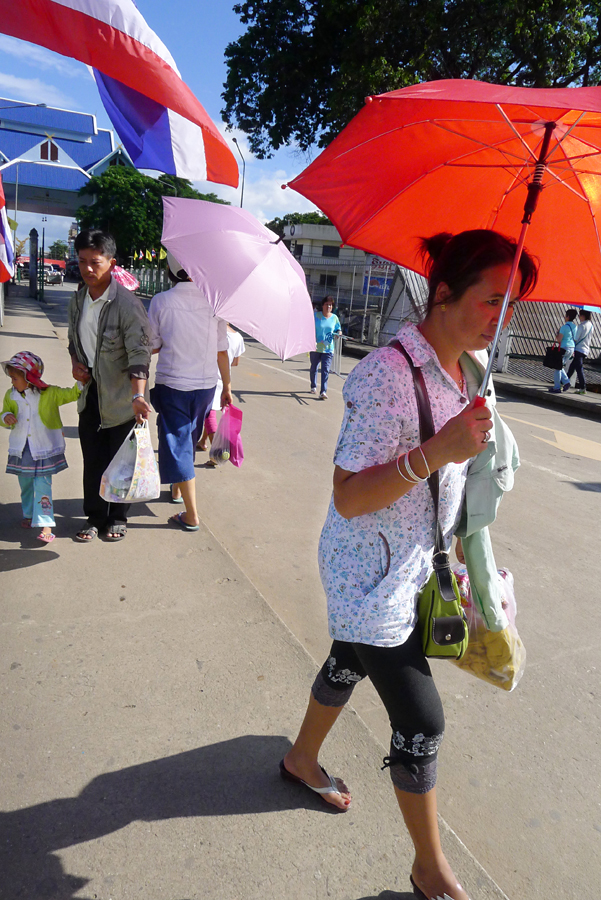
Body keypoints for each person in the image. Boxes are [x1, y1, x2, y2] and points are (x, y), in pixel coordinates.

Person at [280, 230, 538, 900]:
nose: (497, 316)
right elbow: (348, 494)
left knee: (346, 661)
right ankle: (428, 868)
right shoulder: (385, 375)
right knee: (421, 722)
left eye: (508, 304)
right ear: (444, 292)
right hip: (367, 574)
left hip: (412, 560)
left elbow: (447, 476)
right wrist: (438, 450)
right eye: (490, 299)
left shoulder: (463, 373)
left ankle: (299, 758)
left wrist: (453, 526)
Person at [68, 229, 152, 543]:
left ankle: (117, 517)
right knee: (93, 462)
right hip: (91, 397)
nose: (88, 268)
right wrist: (75, 362)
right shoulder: (77, 301)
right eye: (82, 261)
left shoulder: (128, 306)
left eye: (95, 262)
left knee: (119, 464)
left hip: (121, 401)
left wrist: (138, 395)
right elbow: (73, 342)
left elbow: (139, 353)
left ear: (111, 263)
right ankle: (93, 517)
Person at [147, 251, 232, 530]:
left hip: (172, 383)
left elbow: (153, 345)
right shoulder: (214, 304)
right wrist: (227, 386)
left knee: (178, 441)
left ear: (171, 271)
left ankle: (191, 514)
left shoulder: (161, 302)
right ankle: (175, 490)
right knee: (190, 437)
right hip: (206, 385)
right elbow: (222, 351)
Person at [1, 351, 80, 543]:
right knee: (26, 485)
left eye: (15, 378)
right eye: (11, 378)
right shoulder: (10, 395)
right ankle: (29, 514)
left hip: (43, 449)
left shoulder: (50, 393)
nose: (12, 382)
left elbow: (71, 394)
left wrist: (81, 381)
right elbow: (4, 412)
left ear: (29, 378)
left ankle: (46, 523)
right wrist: (5, 417)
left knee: (43, 485)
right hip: (22, 450)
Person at [197, 324, 245, 463]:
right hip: (225, 380)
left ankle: (217, 454)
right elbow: (235, 362)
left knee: (209, 414)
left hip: (209, 377)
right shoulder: (238, 337)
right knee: (209, 411)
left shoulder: (213, 331)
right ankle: (203, 441)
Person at [310, 296, 341, 399]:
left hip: (328, 348)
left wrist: (338, 333)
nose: (329, 306)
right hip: (315, 347)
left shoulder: (334, 318)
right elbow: (308, 326)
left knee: (325, 370)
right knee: (314, 367)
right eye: (327, 304)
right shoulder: (316, 316)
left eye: (331, 305)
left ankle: (323, 391)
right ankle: (313, 386)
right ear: (322, 305)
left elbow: (338, 329)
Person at [549, 308, 578, 393]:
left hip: (564, 348)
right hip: (571, 348)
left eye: (565, 316)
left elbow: (559, 340)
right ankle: (566, 382)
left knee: (558, 368)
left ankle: (557, 387)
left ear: (568, 316)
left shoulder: (564, 327)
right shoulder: (575, 327)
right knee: (560, 366)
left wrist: (557, 333)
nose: (564, 317)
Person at [567, 309, 594, 394]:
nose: (578, 317)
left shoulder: (582, 326)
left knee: (579, 369)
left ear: (583, 316)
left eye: (579, 315)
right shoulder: (591, 325)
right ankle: (564, 382)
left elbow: (576, 338)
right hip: (585, 349)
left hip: (579, 349)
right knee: (572, 367)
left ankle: (583, 388)